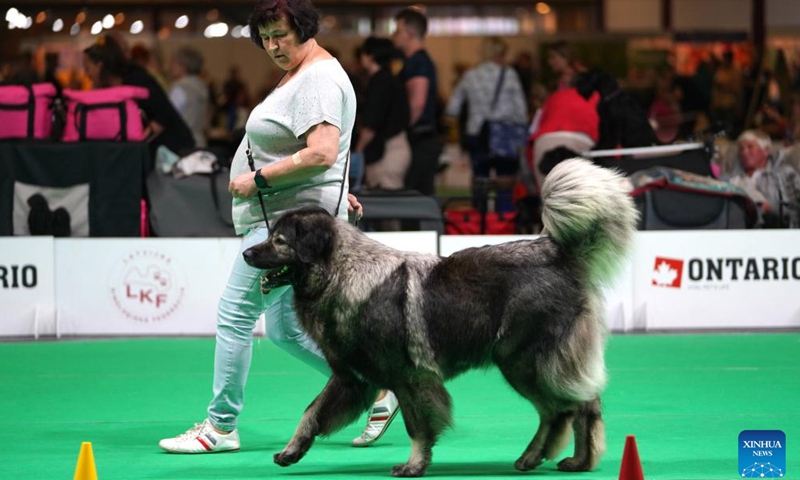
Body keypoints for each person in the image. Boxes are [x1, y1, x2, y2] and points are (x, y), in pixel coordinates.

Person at [157, 0, 364, 453]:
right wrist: (338, 188)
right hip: (291, 217)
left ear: (305, 30)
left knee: (235, 315)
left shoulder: (317, 79)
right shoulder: (304, 73)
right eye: (265, 37)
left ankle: (220, 427)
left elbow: (323, 151)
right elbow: (326, 149)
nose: (272, 46)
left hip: (286, 227)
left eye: (281, 36)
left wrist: (258, 179)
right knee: (286, 329)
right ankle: (372, 381)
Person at [445, 36, 528, 213]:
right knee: (505, 184)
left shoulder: (470, 75)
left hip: (478, 135)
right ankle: (503, 223)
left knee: (480, 182)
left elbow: (452, 108)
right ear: (500, 53)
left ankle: (480, 223)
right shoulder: (509, 74)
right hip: (503, 135)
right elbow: (520, 111)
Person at [83, 36, 196, 165]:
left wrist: (137, 143)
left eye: (87, 68)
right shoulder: (116, 85)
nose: (86, 73)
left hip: (173, 152)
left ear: (100, 66)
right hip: (159, 152)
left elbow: (163, 114)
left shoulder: (136, 79)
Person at [392, 7, 443, 196]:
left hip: (420, 140)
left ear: (410, 34)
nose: (393, 36)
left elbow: (418, 103)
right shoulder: (416, 62)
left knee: (415, 197)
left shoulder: (418, 63)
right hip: (422, 138)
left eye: (398, 31)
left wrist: (403, 131)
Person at [353, 37, 411, 191]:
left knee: (386, 203)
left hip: (387, 152)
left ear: (370, 56)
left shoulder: (380, 82)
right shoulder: (389, 80)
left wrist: (358, 150)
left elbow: (371, 122)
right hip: (392, 148)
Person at [724, 129, 800, 228]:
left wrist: (770, 209)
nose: (744, 152)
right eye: (741, 149)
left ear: (766, 151)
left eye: (750, 147)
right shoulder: (731, 179)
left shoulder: (783, 174)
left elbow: (795, 207)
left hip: (776, 229)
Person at [168, 46, 211, 149]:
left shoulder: (180, 88)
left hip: (183, 144)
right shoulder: (202, 86)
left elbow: (169, 118)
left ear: (183, 66)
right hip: (200, 141)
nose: (169, 66)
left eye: (174, 63)